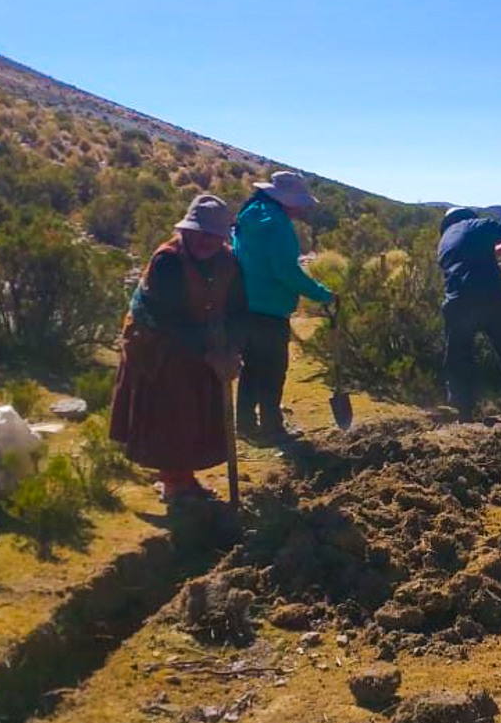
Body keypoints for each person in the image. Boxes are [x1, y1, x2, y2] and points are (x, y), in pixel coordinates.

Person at [110, 194, 246, 505]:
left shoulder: (229, 262)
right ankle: (173, 483)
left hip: (200, 341)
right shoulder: (168, 261)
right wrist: (211, 354)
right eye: (198, 233)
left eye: (213, 235)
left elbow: (240, 309)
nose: (205, 241)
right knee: (171, 411)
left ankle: (185, 478)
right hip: (157, 342)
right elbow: (171, 319)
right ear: (185, 231)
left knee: (196, 410)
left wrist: (234, 349)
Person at [232, 171, 335, 442]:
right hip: (270, 310)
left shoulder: (249, 215)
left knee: (252, 368)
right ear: (287, 199)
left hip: (244, 305)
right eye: (299, 202)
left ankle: (245, 425)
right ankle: (271, 428)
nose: (301, 208)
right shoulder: (277, 224)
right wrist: (323, 294)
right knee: (273, 370)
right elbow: (286, 271)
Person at [438, 189, 501, 421]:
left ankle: (461, 410)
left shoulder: (444, 243)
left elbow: (470, 257)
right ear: (467, 216)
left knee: (458, 357)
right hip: (492, 300)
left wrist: (497, 251)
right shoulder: (474, 225)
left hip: (457, 304)